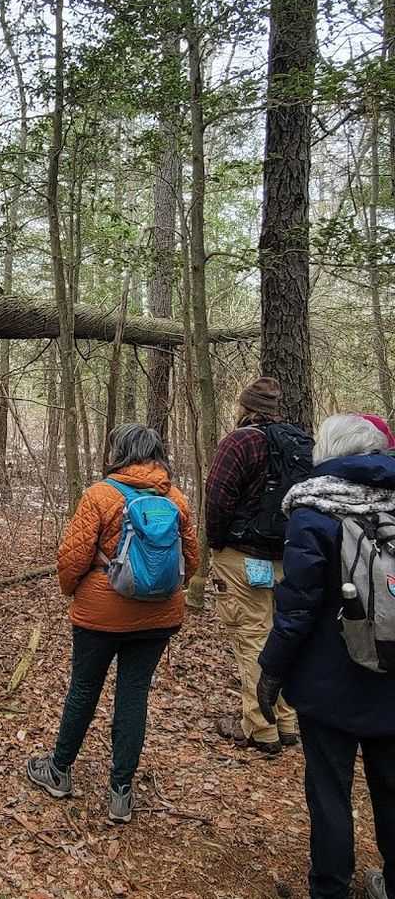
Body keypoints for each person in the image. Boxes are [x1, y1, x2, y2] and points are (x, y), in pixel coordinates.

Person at [26, 424, 198, 823]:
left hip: (100, 615)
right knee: (133, 695)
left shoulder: (100, 495)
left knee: (84, 688)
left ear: (118, 453)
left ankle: (59, 771)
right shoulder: (176, 499)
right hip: (158, 616)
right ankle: (121, 793)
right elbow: (191, 560)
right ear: (157, 455)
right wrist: (167, 591)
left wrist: (73, 591)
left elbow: (72, 558)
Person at [257, 413, 395, 899]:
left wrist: (271, 668)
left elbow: (296, 606)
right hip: (392, 679)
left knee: (330, 793)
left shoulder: (314, 512)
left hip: (329, 681)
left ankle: (330, 889)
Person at [205, 376, 310, 754]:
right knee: (282, 636)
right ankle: (286, 720)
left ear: (245, 407)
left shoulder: (240, 441)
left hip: (242, 557)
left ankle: (261, 729)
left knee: (252, 637)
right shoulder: (300, 442)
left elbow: (217, 499)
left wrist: (217, 544)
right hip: (287, 559)